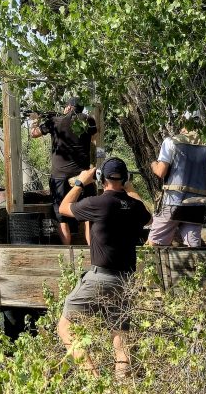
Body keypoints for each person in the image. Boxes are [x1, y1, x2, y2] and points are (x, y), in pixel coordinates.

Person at [57, 158, 149, 376]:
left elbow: (63, 207)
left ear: (101, 179)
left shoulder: (98, 203)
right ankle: (122, 386)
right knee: (120, 337)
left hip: (101, 278)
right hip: (126, 280)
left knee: (65, 326)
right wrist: (129, 188)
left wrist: (80, 183)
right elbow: (146, 214)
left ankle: (93, 379)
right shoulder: (136, 207)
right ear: (126, 179)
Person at [31, 96, 97, 242]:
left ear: (68, 107)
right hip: (83, 175)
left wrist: (35, 121)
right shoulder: (88, 120)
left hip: (59, 176)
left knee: (61, 216)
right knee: (89, 217)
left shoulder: (55, 121)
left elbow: (34, 134)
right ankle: (92, 252)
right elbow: (94, 136)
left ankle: (67, 254)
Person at [150, 114, 206, 247]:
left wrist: (153, 164)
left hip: (173, 201)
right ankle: (197, 268)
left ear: (182, 123)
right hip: (197, 204)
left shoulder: (171, 142)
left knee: (155, 242)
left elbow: (160, 172)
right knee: (193, 246)